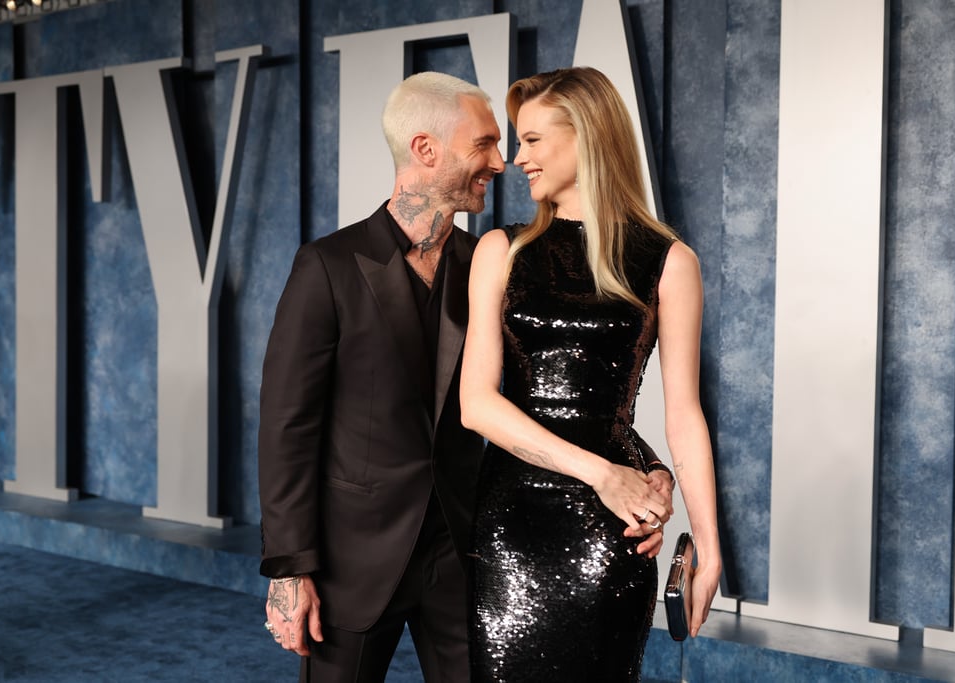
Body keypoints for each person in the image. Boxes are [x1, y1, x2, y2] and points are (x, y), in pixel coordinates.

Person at [460, 66, 722, 682]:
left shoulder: (670, 261)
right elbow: (477, 404)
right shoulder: (501, 251)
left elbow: (684, 413)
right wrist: (605, 474)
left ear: (587, 135)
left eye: (531, 140)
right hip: (511, 527)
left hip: (612, 536)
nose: (516, 158)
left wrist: (707, 544)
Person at [256, 71, 505, 682]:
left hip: (460, 553)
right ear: (426, 150)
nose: (500, 162)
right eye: (484, 145)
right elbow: (288, 426)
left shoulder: (488, 266)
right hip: (352, 560)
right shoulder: (328, 266)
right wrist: (291, 569)